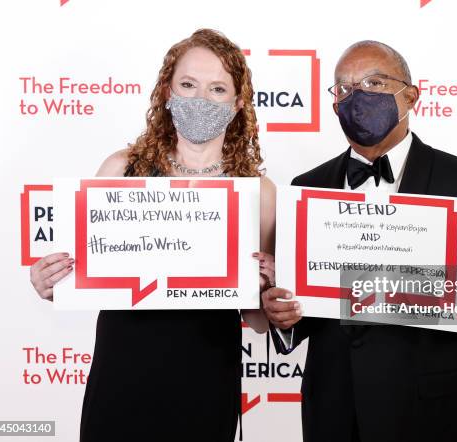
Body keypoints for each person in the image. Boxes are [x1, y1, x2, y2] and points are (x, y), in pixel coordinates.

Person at [262, 41, 457, 442]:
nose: (357, 97)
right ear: (334, 105)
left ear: (411, 96)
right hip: (334, 405)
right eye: (344, 89)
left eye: (374, 82)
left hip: (429, 407)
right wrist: (284, 316)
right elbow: (304, 301)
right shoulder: (307, 188)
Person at [29, 29, 275, 442]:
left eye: (217, 89)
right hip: (123, 371)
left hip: (206, 377)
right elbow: (80, 279)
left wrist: (265, 286)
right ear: (166, 91)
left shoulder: (258, 192)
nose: (201, 99)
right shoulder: (120, 170)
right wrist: (50, 282)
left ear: (237, 104)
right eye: (188, 85)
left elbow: (258, 320)